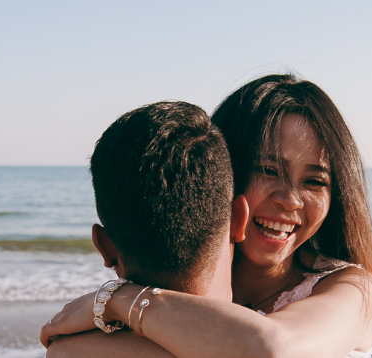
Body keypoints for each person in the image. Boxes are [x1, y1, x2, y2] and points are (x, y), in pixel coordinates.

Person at [42, 74, 372, 358]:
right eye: (269, 170)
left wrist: (118, 299)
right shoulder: (184, 285)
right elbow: (66, 352)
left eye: (314, 181)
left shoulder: (353, 290)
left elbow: (276, 351)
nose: (291, 200)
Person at [45, 100, 248, 357]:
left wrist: (112, 300)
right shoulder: (287, 335)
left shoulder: (69, 350)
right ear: (240, 220)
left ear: (104, 247)